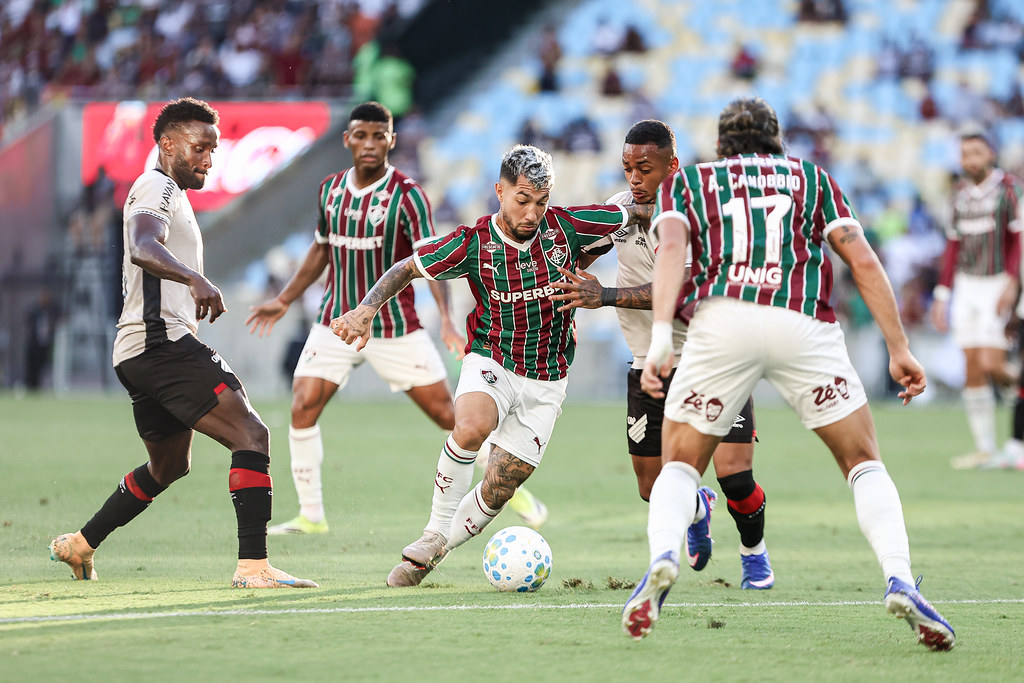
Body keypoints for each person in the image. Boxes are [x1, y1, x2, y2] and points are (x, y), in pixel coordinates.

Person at [621, 97, 954, 651]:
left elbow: (672, 252)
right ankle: (898, 576)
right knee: (863, 462)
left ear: (721, 144)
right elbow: (864, 261)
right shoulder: (812, 179)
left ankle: (660, 562)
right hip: (802, 323)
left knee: (678, 465)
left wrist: (659, 338)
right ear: (777, 138)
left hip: (723, 323)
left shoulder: (694, 182)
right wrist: (900, 348)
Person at [332, 144, 652, 587]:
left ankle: (433, 553)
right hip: (492, 358)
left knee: (500, 487)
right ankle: (432, 532)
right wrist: (366, 309)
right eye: (522, 200)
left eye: (541, 202)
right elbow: (408, 267)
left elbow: (633, 212)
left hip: (549, 377)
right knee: (471, 426)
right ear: (499, 191)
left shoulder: (568, 227)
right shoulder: (472, 242)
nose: (532, 212)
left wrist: (663, 212)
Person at [246, 102, 549, 535]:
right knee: (302, 406)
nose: (370, 143)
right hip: (337, 319)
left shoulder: (408, 195)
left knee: (451, 417)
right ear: (347, 139)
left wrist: (445, 319)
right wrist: (284, 297)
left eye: (379, 135)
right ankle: (312, 516)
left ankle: (506, 485)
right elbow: (320, 250)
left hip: (396, 328)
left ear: (391, 140)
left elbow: (432, 262)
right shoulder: (329, 190)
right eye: (361, 135)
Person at [49, 97, 316, 589]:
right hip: (159, 345)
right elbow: (141, 244)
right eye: (199, 148)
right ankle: (253, 567)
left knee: (169, 465)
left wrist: (186, 284)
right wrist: (195, 278)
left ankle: (82, 544)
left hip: (138, 352)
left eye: (213, 151)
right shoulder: (156, 185)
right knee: (252, 435)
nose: (208, 161)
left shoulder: (172, 192)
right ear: (167, 143)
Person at [550, 119, 773, 589]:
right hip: (648, 363)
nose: (634, 178)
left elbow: (683, 291)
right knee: (652, 487)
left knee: (734, 477)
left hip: (716, 358)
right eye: (628, 168)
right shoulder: (619, 209)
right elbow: (581, 254)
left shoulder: (699, 215)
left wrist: (605, 295)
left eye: (645, 168)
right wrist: (564, 270)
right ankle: (697, 508)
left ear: (672, 166)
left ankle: (754, 552)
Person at [929, 128, 1023, 470]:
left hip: (998, 281)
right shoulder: (958, 195)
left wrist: (1013, 283)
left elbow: (1018, 239)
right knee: (972, 365)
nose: (970, 159)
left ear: (991, 154)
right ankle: (986, 447)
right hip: (967, 285)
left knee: (991, 362)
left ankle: (1018, 411)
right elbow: (952, 248)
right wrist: (943, 295)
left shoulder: (1009, 189)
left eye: (977, 152)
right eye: (965, 153)